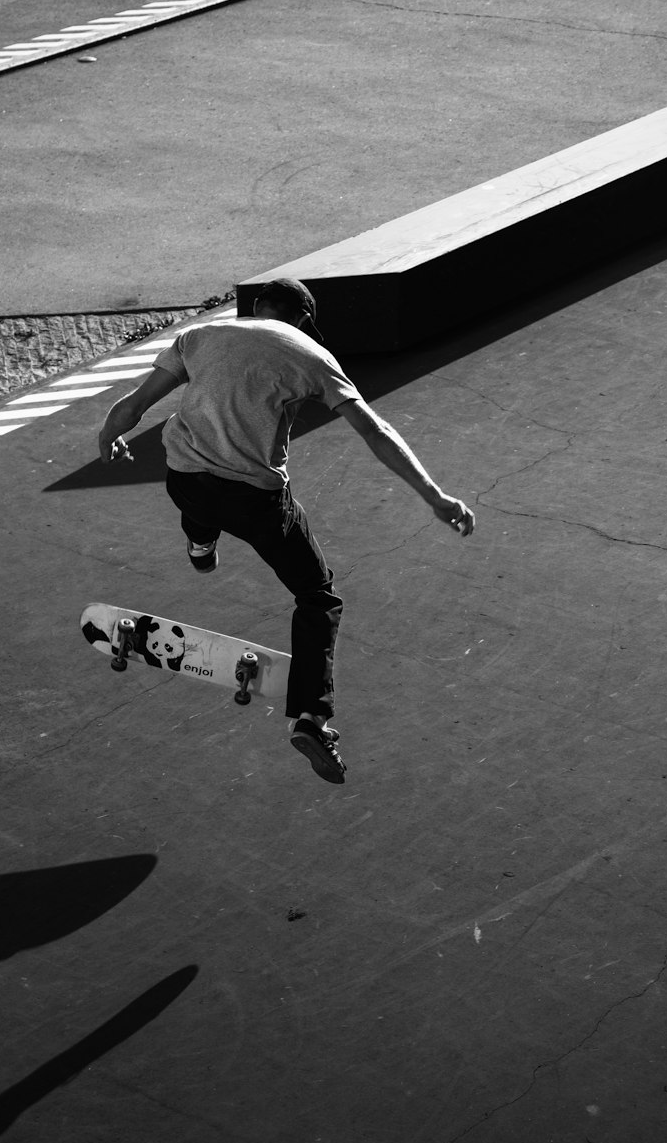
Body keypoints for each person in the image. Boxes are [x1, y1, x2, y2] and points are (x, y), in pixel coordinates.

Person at [98, 277, 474, 784]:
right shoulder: (311, 355)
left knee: (197, 498)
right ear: (300, 319)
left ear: (254, 307)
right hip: (256, 500)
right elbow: (374, 431)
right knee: (318, 598)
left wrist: (109, 435)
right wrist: (435, 497)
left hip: (184, 480)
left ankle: (201, 539)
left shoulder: (200, 337)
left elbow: (135, 405)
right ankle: (310, 718)